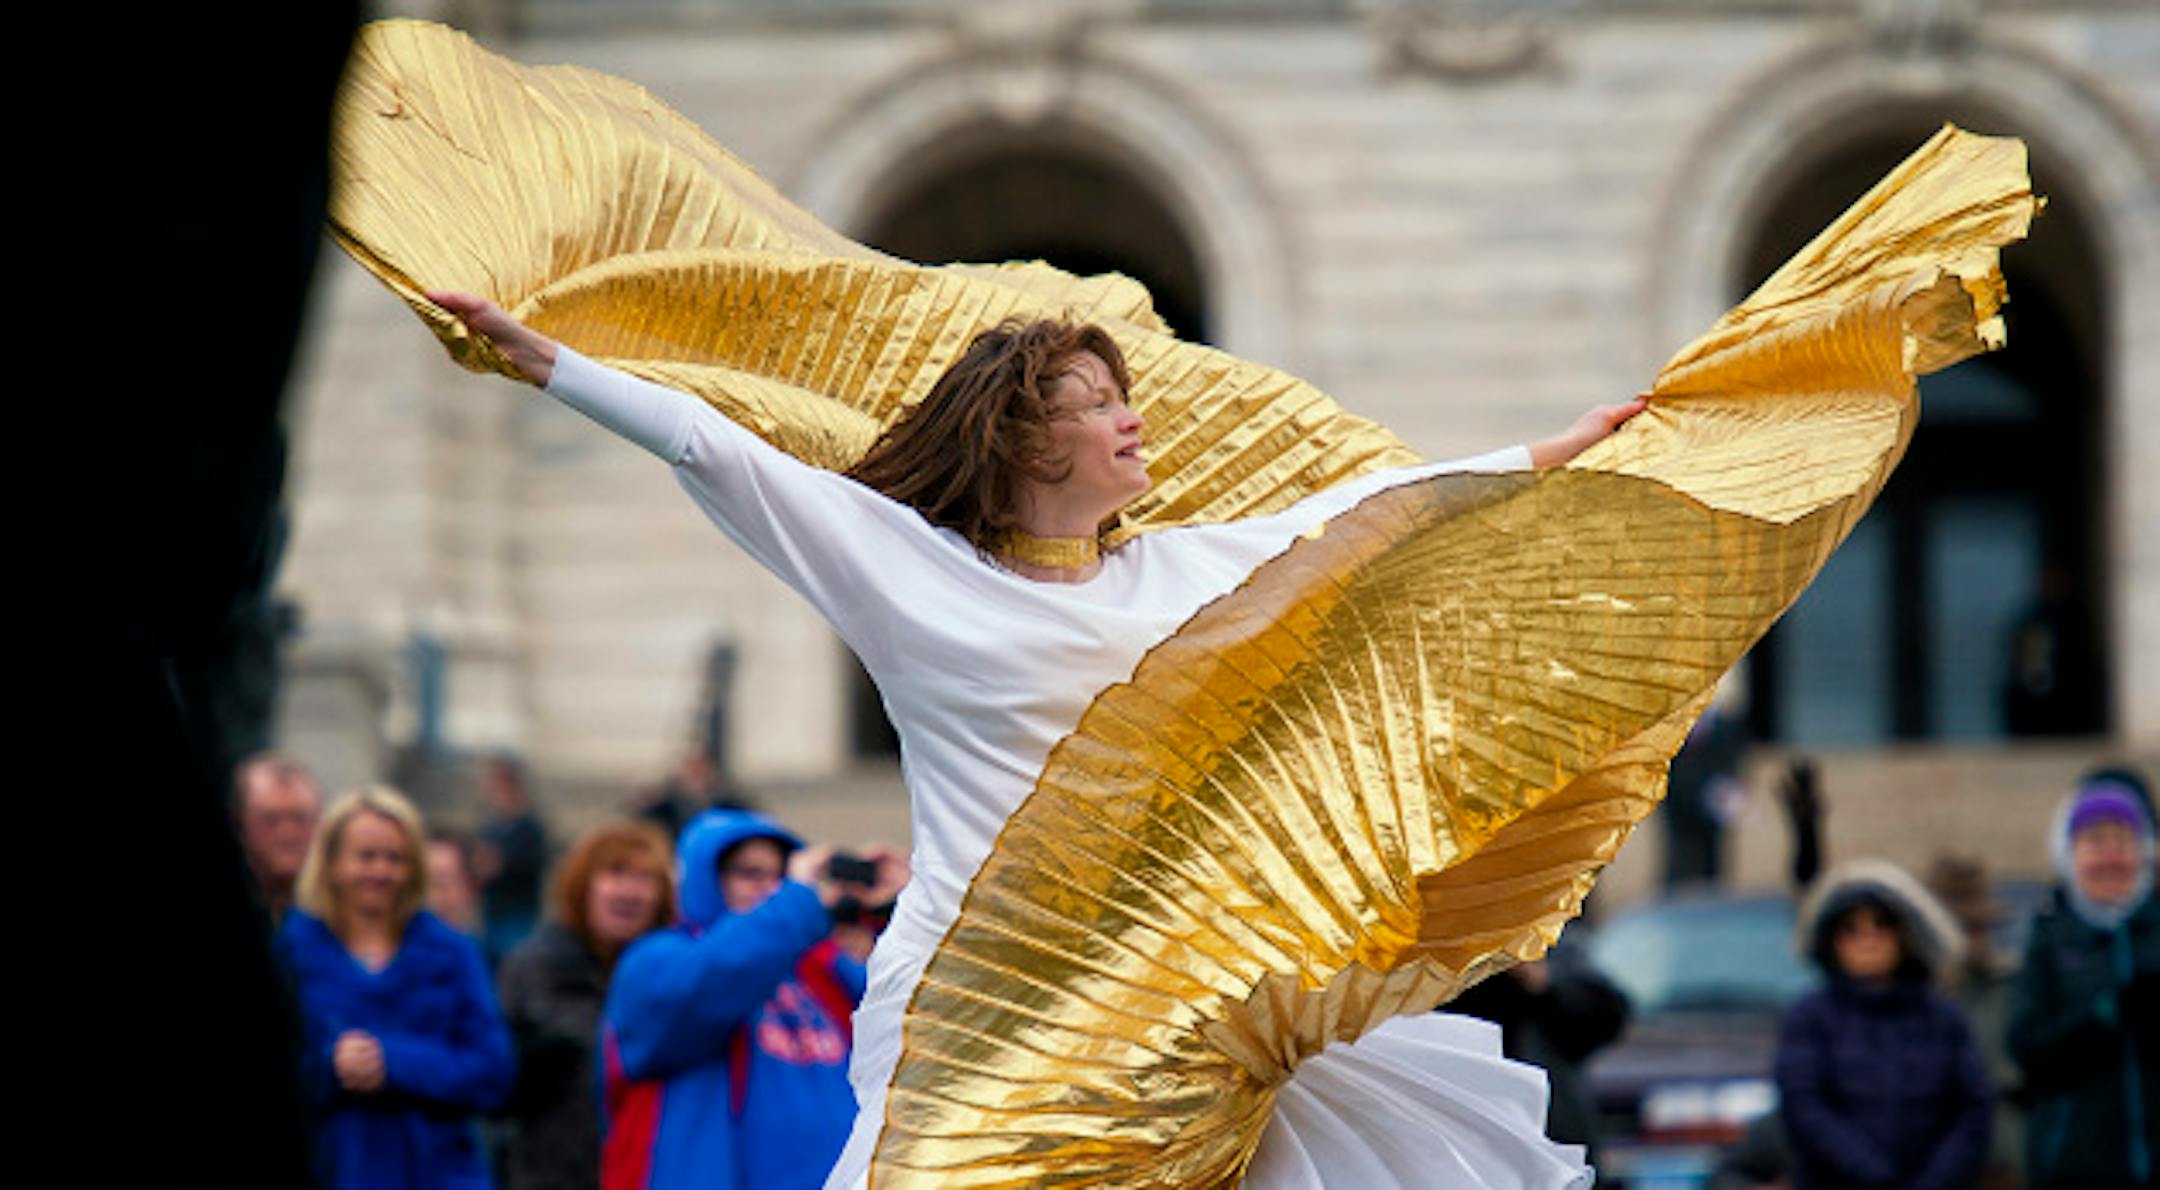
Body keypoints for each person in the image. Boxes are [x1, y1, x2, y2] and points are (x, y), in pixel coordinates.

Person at [431, 292, 1643, 1188]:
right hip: (978, 991)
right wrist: (549, 365)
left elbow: (1377, 514)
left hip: (1170, 993)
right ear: (1025, 441)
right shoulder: (911, 572)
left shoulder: (1184, 570)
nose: (1130, 421)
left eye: (1124, 397)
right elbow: (720, 450)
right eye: (1097, 404)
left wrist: (1556, 451)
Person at [599, 809, 866, 1190]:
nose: (771, 889)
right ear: (704, 877)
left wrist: (904, 908)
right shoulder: (655, 960)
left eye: (780, 876)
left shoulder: (819, 968)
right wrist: (798, 903)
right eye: (750, 873)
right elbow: (710, 982)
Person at [277, 786, 516, 1188]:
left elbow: (493, 1071)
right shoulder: (292, 951)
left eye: (395, 858)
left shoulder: (453, 952)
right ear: (332, 862)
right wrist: (329, 1065)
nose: (381, 871)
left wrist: (392, 1062)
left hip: (439, 1174)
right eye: (366, 856)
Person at [1774, 859, 1993, 1190]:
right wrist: (1874, 1175)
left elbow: (1973, 1108)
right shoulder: (1810, 1018)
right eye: (1850, 928)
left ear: (1903, 936)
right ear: (1832, 941)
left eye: (1881, 925)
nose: (1868, 938)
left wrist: (1936, 1180)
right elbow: (1805, 1109)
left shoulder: (1941, 1017)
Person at [498, 820, 676, 1190]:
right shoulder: (534, 969)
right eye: (615, 873)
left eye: (645, 878)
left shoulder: (674, 977)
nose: (630, 891)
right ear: (583, 885)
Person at [2008, 766, 2159, 1190]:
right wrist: (2104, 1016)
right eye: (2095, 842)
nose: (2110, 856)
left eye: (2122, 841)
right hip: (2074, 1167)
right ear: (2069, 854)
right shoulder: (2048, 940)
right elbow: (2026, 1047)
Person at [474, 753, 550, 966]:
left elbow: (534, 863)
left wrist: (500, 864)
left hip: (518, 912)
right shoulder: (491, 824)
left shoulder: (529, 825)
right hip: (493, 909)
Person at [234, 750, 323, 921]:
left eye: (300, 818)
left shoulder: (345, 908)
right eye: (271, 820)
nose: (287, 834)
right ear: (241, 825)